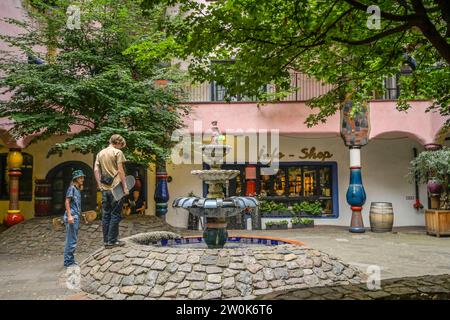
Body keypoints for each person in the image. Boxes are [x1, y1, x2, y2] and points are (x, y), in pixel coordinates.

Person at [94, 134, 129, 248]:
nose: (120, 148)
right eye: (121, 145)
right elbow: (120, 170)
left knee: (106, 214)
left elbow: (96, 169)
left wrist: (99, 185)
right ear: (118, 143)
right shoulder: (117, 153)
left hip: (105, 189)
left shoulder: (100, 153)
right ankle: (112, 241)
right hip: (116, 188)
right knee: (115, 214)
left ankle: (106, 241)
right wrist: (125, 187)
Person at [63, 169, 85, 267]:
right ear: (75, 179)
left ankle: (70, 260)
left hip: (75, 215)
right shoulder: (72, 188)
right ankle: (68, 262)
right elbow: (67, 202)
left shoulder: (77, 189)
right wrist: (69, 216)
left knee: (73, 239)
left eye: (82, 177)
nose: (82, 179)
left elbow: (76, 204)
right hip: (72, 216)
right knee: (71, 240)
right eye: (80, 177)